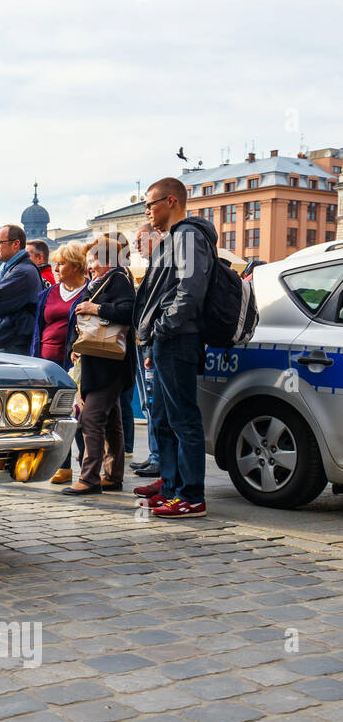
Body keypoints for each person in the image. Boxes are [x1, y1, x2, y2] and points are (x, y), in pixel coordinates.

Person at [132, 177, 214, 518]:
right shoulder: (174, 239)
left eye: (150, 204)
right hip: (166, 341)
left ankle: (191, 496)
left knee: (183, 420)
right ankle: (171, 488)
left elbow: (190, 292)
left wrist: (163, 328)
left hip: (178, 339)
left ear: (170, 201)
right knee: (165, 420)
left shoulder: (189, 236)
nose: (147, 210)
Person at [65, 234, 136, 495]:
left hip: (109, 364)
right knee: (111, 421)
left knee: (91, 419)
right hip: (103, 362)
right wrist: (76, 347)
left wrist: (96, 308)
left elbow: (129, 311)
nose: (89, 266)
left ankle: (89, 478)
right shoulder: (105, 281)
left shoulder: (117, 279)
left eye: (93, 260)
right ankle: (112, 475)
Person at [30, 244, 88, 484]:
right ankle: (61, 465)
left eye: (62, 263)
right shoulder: (49, 293)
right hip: (47, 362)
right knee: (52, 415)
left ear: (76, 265)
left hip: (73, 363)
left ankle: (86, 464)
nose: (56, 268)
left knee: (78, 416)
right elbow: (38, 329)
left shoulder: (89, 293)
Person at [130, 223, 164, 478]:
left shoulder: (162, 265)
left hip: (151, 346)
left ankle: (159, 457)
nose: (136, 246)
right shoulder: (155, 265)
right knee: (147, 403)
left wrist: (150, 342)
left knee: (153, 404)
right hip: (146, 345)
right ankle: (155, 454)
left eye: (140, 240)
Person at [0, 224, 42, 355]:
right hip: (4, 342)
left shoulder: (23, 273)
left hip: (12, 345)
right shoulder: (9, 269)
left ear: (16, 244)